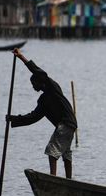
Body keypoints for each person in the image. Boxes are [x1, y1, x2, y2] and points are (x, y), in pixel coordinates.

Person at [6, 49, 78, 179]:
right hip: (70, 124)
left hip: (66, 123)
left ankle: (53, 179)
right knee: (65, 152)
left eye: (34, 83)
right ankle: (69, 180)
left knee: (52, 151)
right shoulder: (43, 101)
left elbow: (38, 71)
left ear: (41, 81)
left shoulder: (52, 87)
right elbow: (32, 117)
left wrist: (22, 57)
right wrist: (13, 118)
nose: (33, 86)